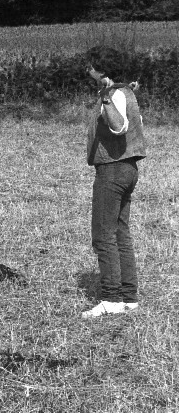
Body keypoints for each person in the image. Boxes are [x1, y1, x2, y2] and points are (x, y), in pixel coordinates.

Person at [81, 46, 146, 319]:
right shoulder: (126, 92)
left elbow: (119, 127)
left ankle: (111, 298)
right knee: (120, 232)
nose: (88, 70)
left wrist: (105, 97)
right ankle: (128, 297)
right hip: (128, 168)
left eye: (91, 66)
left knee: (103, 235)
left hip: (112, 169)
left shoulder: (113, 94)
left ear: (102, 70)